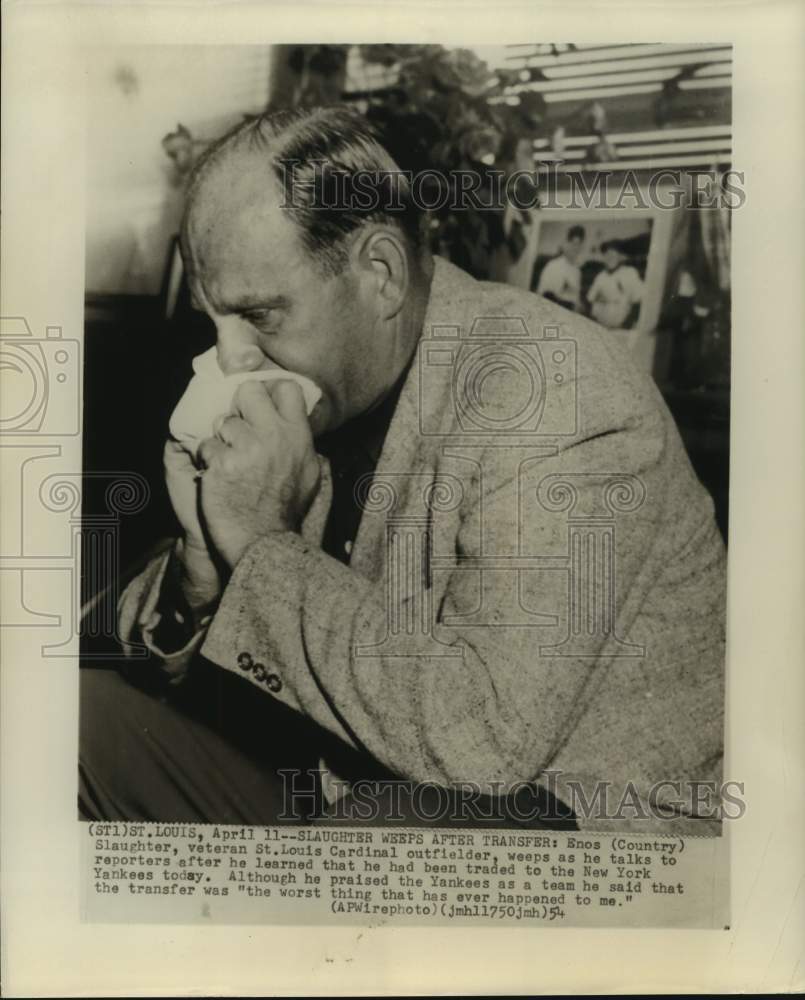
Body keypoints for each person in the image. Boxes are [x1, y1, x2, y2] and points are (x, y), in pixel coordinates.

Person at [79, 106, 726, 832]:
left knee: (372, 833)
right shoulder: (326, 385)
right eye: (212, 320)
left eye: (258, 316)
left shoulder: (554, 388)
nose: (225, 360)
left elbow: (482, 743)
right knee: (74, 723)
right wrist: (202, 569)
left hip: (577, 813)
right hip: (351, 783)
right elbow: (170, 648)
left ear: (380, 274)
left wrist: (261, 544)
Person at [587, 239, 645, 329]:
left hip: (622, 327)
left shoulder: (630, 273)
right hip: (601, 326)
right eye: (606, 254)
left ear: (620, 256)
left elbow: (638, 301)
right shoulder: (600, 277)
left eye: (613, 254)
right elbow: (590, 300)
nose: (609, 258)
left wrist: (627, 324)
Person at [534, 225, 585, 311]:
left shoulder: (577, 271)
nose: (576, 248)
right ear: (566, 244)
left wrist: (579, 305)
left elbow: (575, 298)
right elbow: (544, 297)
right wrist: (571, 306)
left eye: (579, 245)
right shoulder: (553, 266)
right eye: (573, 244)